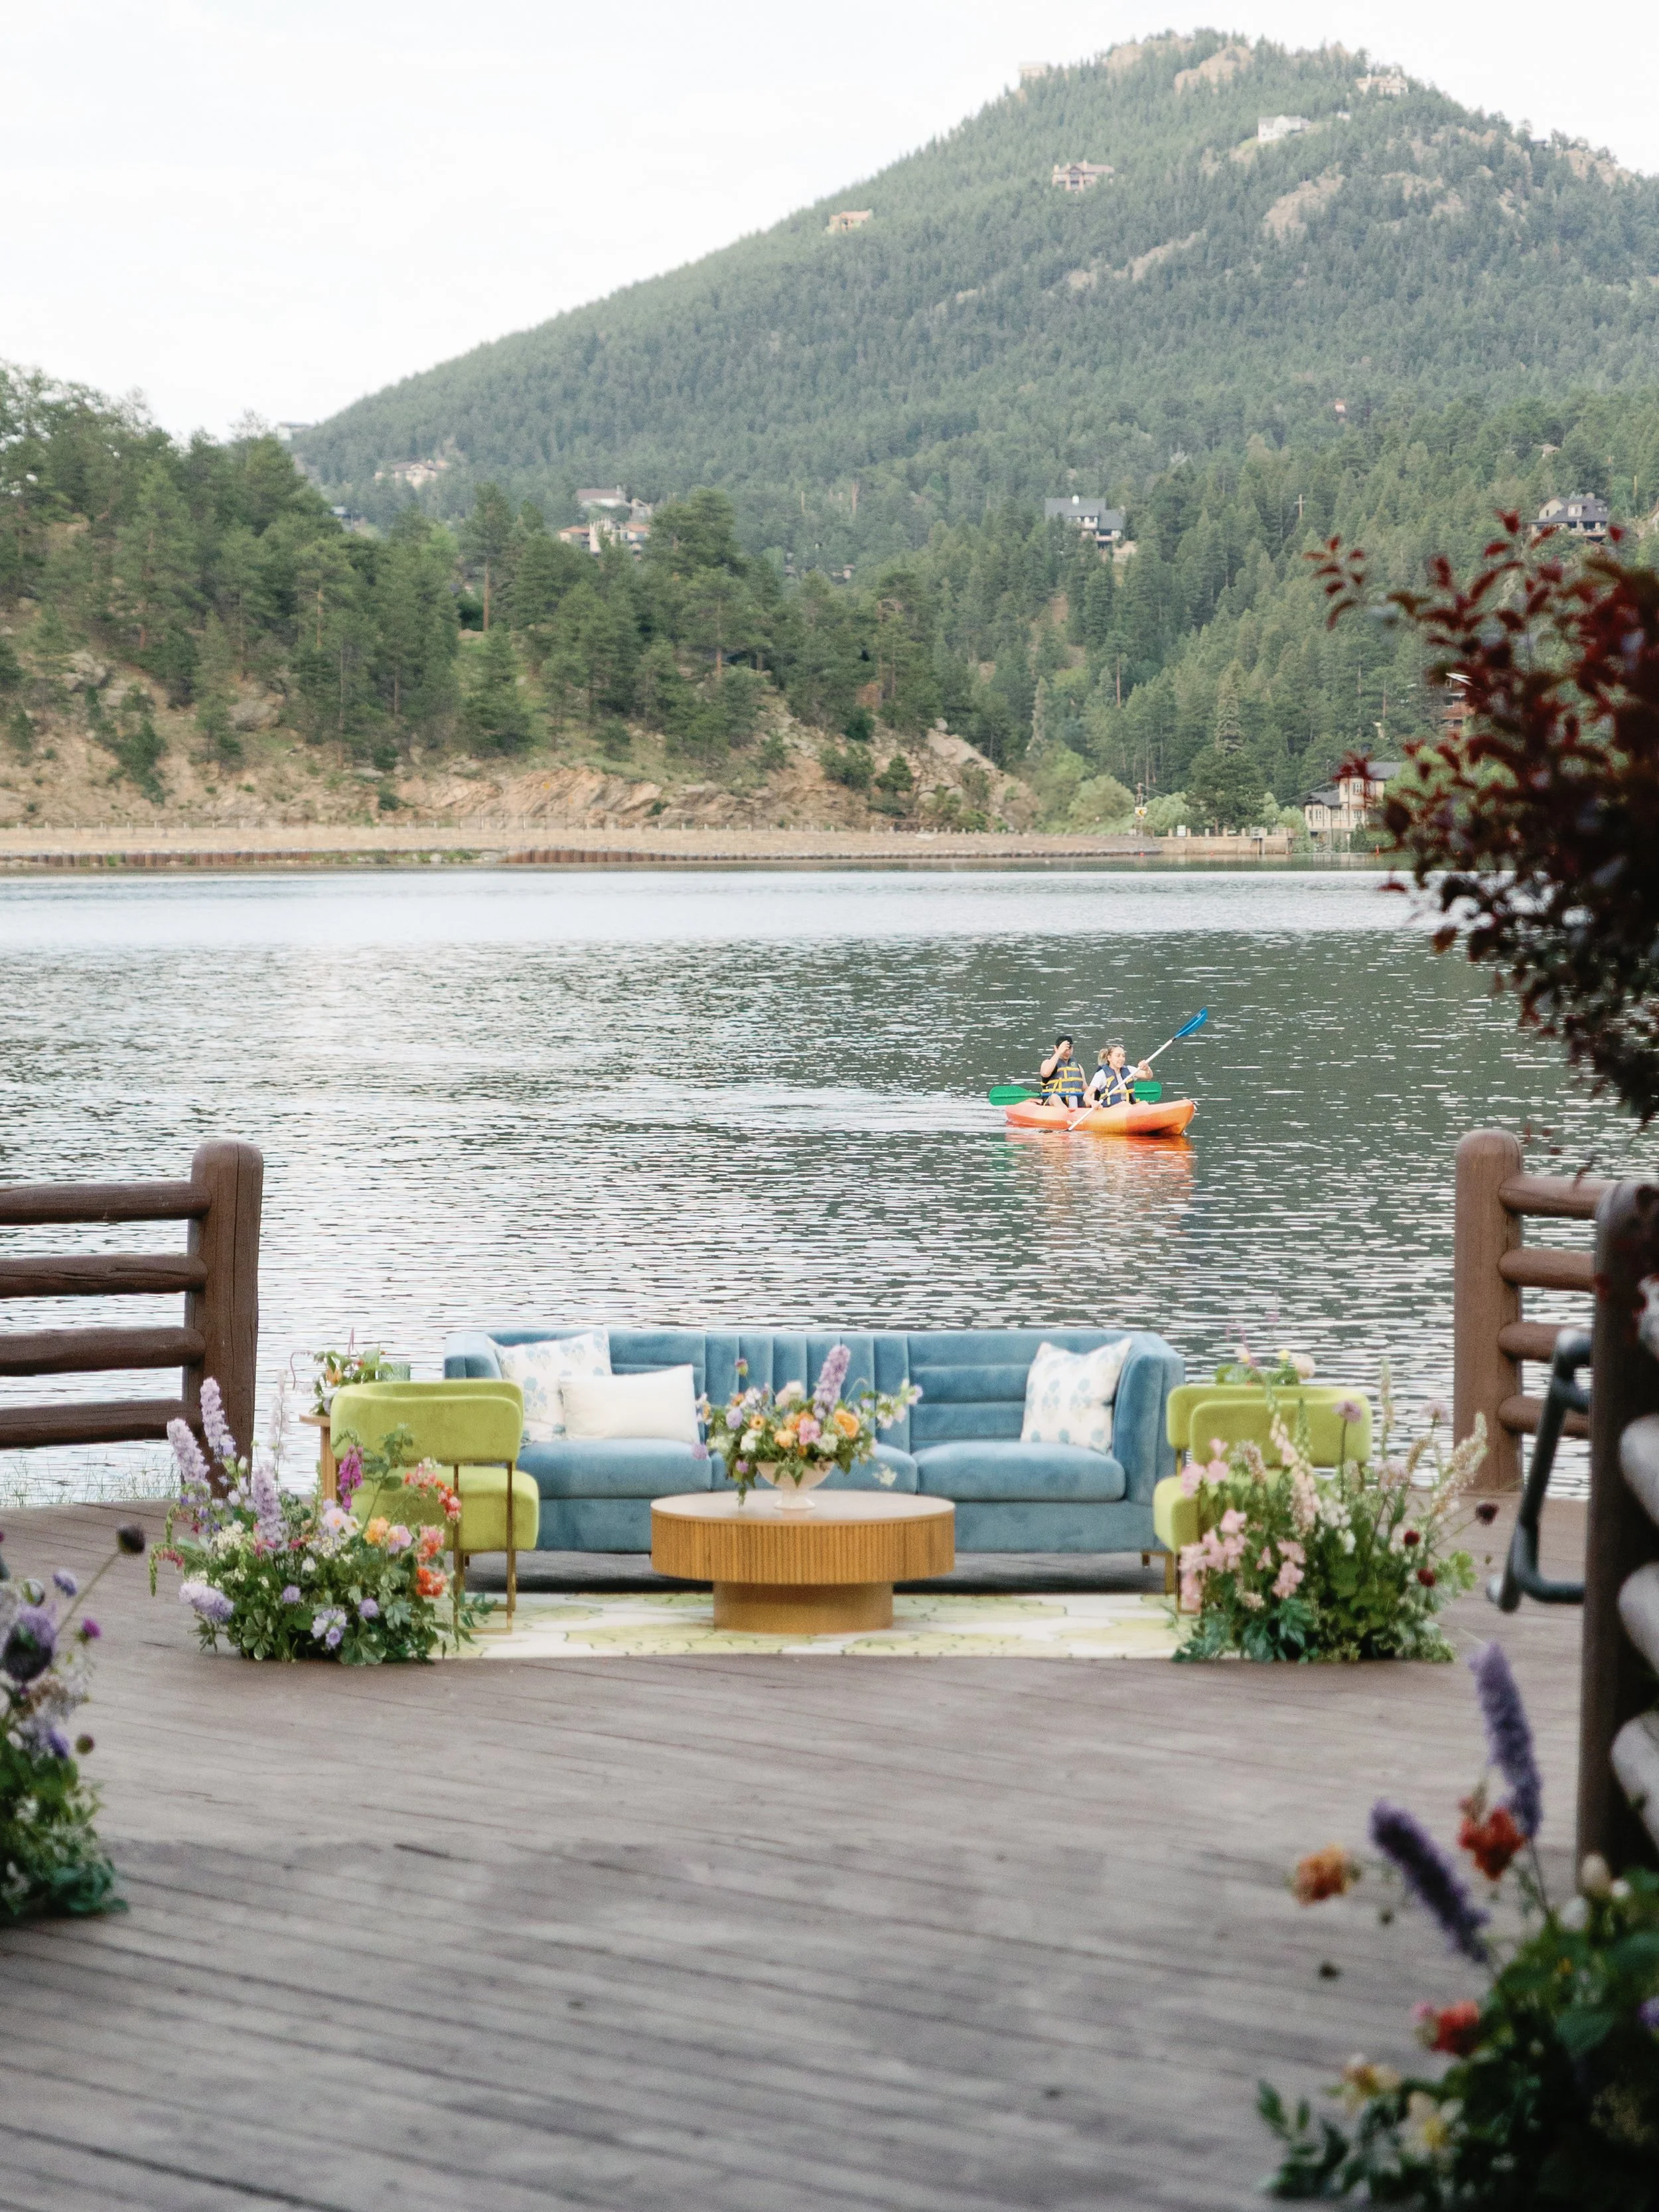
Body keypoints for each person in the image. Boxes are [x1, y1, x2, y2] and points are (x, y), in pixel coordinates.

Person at [1086, 1040, 1153, 1108]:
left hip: (1128, 1108)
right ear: (1109, 1058)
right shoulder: (1101, 1074)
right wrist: (1093, 1102)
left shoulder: (1129, 1070)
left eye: (1123, 1056)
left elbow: (1148, 1076)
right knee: (1124, 1104)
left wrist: (1147, 1069)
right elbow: (1086, 1096)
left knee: (1144, 1104)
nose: (1122, 1059)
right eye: (1118, 1056)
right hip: (1109, 1110)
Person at [1038, 1033, 1087, 1106]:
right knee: (1054, 1097)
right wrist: (1059, 1052)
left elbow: (1085, 1087)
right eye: (1064, 1050)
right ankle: (1066, 1113)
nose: (1067, 1052)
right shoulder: (1048, 1063)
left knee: (1091, 1096)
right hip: (1056, 1100)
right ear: (1056, 1048)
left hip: (1076, 1099)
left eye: (1069, 1048)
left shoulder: (1078, 1067)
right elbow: (1045, 1073)